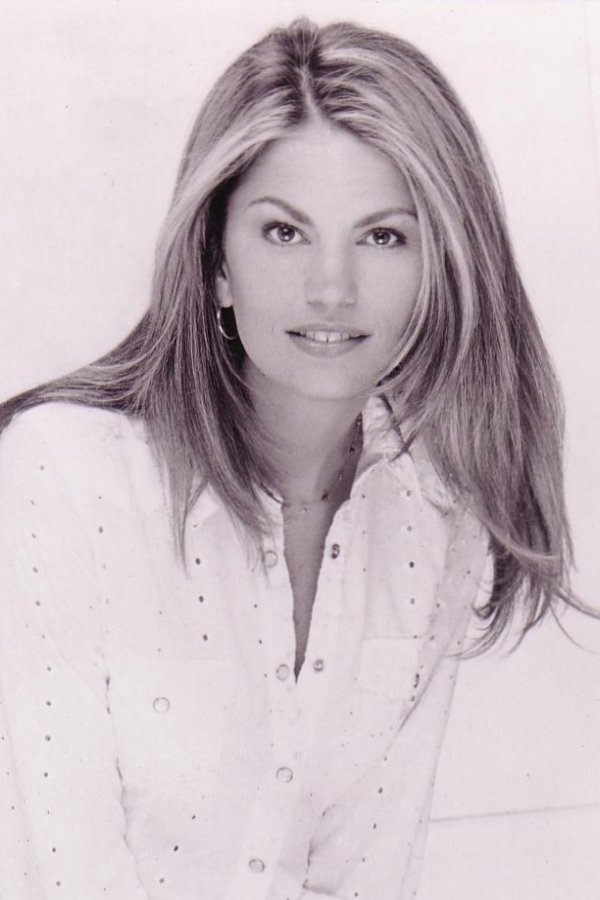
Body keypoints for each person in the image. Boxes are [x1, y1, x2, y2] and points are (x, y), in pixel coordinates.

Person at [0, 17, 577, 900]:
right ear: (216, 263)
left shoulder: (434, 523)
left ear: (441, 270)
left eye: (383, 236)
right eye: (284, 232)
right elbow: (56, 871)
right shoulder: (64, 477)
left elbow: (367, 877)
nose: (331, 289)